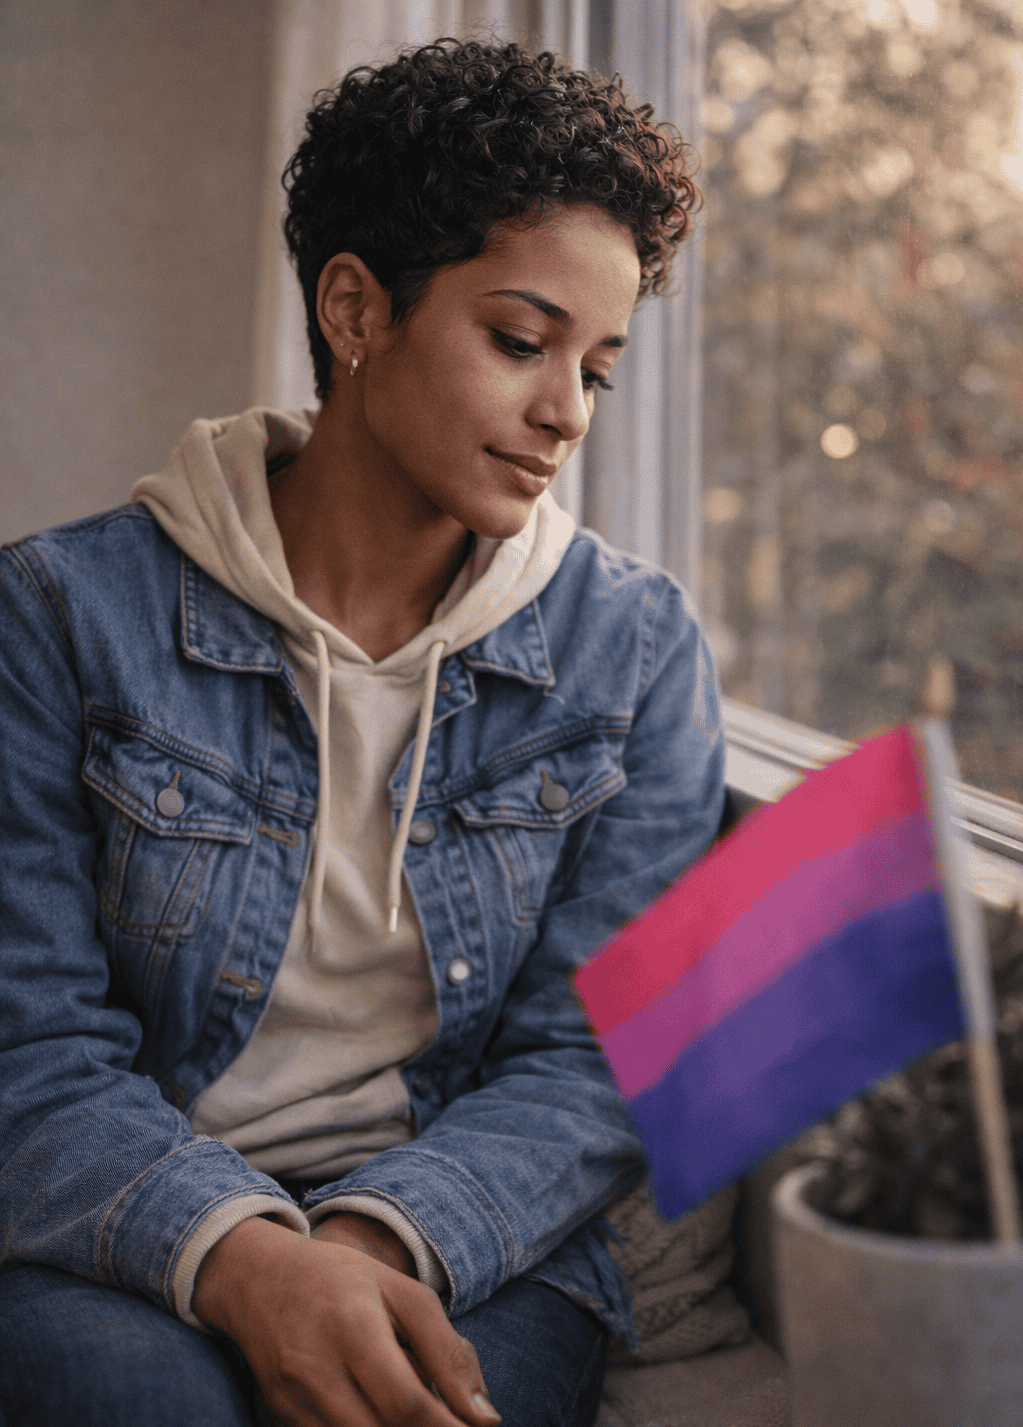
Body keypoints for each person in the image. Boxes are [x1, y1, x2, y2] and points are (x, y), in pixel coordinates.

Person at [0, 37, 723, 1427]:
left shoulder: (634, 652)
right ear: (355, 308)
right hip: (125, 1218)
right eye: (519, 341)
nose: (564, 411)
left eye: (599, 367)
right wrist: (246, 1258)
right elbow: (28, 1050)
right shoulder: (57, 615)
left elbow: (598, 1063)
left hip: (473, 1236)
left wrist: (366, 1245)